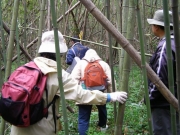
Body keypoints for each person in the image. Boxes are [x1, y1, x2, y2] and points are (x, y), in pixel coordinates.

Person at [10, 30, 127, 135]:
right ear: (60, 54)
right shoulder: (57, 75)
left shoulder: (24, 68)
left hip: (17, 128)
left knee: (83, 118)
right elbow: (81, 94)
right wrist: (110, 96)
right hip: (41, 130)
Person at [147, 9, 180, 135]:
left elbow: (160, 77)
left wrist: (150, 97)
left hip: (164, 103)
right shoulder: (175, 43)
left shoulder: (166, 46)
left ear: (156, 27)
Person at [71, 49, 112, 134]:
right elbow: (110, 81)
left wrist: (76, 94)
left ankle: (83, 133)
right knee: (102, 110)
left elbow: (73, 79)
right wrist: (111, 94)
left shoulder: (80, 64)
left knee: (83, 118)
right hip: (100, 92)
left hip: (84, 93)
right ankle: (102, 127)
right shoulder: (103, 64)